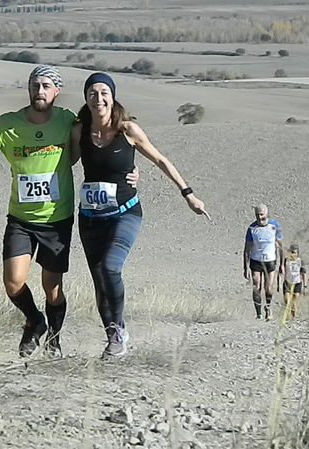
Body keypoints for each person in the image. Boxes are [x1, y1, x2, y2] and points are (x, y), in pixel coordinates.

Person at [0, 66, 137, 359]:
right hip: (21, 219)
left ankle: (54, 341)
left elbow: (107, 135)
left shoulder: (68, 120)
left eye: (46, 86)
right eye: (34, 85)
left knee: (52, 289)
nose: (39, 91)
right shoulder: (8, 124)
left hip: (57, 219)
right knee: (13, 282)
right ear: (28, 89)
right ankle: (34, 320)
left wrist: (130, 169)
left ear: (56, 91)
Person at [71, 72, 210, 358]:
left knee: (110, 267)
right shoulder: (79, 131)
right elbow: (64, 161)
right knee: (99, 278)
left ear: (112, 96)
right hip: (89, 217)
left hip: (125, 213)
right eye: (92, 93)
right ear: (86, 98)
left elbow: (160, 159)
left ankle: (120, 328)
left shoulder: (128, 130)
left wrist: (188, 194)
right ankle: (113, 334)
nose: (98, 98)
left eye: (103, 93)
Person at [243, 204, 283, 321]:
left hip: (270, 260)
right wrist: (245, 267)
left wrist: (282, 264)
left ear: (267, 214)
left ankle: (268, 308)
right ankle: (258, 313)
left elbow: (281, 246)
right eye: (257, 215)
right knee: (256, 286)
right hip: (256, 260)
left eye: (262, 215)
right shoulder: (252, 228)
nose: (260, 218)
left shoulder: (275, 226)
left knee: (269, 287)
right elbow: (247, 249)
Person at [281, 243, 307, 319]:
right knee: (287, 301)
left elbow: (304, 274)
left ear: (297, 253)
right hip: (288, 282)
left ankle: (294, 317)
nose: (292, 254)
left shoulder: (300, 261)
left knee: (294, 301)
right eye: (291, 252)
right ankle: (287, 317)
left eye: (294, 252)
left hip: (297, 283)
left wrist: (305, 286)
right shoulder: (286, 260)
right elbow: (281, 271)